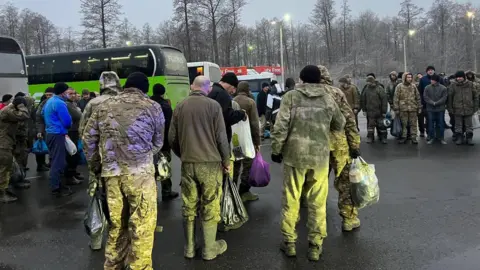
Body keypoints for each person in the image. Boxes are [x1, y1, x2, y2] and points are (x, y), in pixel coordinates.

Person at [83, 72, 164, 269]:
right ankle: (139, 267)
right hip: (140, 175)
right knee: (142, 224)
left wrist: (97, 165)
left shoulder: (103, 107)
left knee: (117, 225)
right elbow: (158, 142)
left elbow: (88, 139)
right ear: (144, 89)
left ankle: (113, 265)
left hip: (111, 175)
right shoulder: (153, 107)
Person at [272, 65, 346, 261]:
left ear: (302, 79)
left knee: (291, 199)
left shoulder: (291, 97)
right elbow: (339, 124)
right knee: (318, 202)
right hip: (320, 158)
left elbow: (280, 126)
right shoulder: (328, 98)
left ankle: (289, 243)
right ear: (320, 79)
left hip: (294, 156)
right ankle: (315, 245)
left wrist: (276, 149)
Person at [169, 76, 230, 261]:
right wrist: (226, 161)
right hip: (210, 164)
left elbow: (172, 137)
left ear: (191, 87)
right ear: (208, 88)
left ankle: (189, 248)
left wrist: (184, 155)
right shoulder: (213, 106)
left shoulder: (180, 106)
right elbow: (221, 137)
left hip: (188, 164)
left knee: (189, 204)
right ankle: (209, 249)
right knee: (210, 204)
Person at [80, 71, 121, 252]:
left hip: (99, 160)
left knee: (97, 198)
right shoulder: (125, 102)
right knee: (120, 200)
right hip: (122, 162)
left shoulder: (93, 104)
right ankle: (120, 240)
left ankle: (96, 240)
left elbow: (84, 133)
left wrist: (92, 162)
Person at [319, 66, 361, 232]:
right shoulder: (336, 93)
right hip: (338, 146)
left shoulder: (301, 94)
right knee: (345, 183)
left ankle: (316, 221)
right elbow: (349, 120)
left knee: (315, 183)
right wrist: (355, 144)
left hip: (314, 146)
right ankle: (349, 219)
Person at [43, 82, 73, 197]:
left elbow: (42, 113)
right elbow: (66, 122)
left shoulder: (49, 101)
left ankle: (57, 185)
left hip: (50, 133)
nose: (68, 94)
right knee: (58, 162)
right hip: (57, 134)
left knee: (54, 160)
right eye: (67, 91)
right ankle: (56, 188)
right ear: (63, 92)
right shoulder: (60, 103)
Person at [233, 81, 261, 202]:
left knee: (236, 164)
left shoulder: (232, 100)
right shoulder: (250, 102)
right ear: (248, 89)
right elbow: (255, 124)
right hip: (247, 140)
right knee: (248, 165)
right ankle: (244, 192)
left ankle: (231, 191)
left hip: (235, 140)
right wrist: (257, 142)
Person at [151, 83, 179, 201]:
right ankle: (166, 191)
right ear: (163, 93)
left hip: (149, 143)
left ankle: (152, 193)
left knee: (151, 168)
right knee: (164, 166)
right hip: (163, 143)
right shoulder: (165, 106)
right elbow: (169, 126)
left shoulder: (148, 104)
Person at [0, 97, 30, 203]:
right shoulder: (8, 111)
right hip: (3, 144)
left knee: (7, 167)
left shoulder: (9, 110)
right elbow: (25, 116)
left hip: (6, 143)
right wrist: (22, 106)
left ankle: (4, 190)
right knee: (4, 168)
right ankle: (2, 194)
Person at [208, 72, 246, 143]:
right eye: (234, 88)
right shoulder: (223, 94)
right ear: (229, 84)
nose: (233, 91)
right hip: (219, 137)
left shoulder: (211, 90)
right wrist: (242, 113)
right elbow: (227, 117)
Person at [448, 71, 479, 145]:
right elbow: (450, 98)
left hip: (468, 108)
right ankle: (459, 138)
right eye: (457, 77)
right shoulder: (453, 85)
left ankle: (469, 138)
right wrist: (450, 108)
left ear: (464, 77)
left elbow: (476, 96)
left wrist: (475, 107)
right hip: (457, 108)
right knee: (458, 125)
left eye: (460, 77)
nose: (459, 78)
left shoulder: (471, 84)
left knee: (469, 125)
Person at [394, 72, 422, 144]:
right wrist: (396, 109)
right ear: (404, 78)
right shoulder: (399, 86)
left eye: (410, 77)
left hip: (413, 108)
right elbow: (396, 98)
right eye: (408, 77)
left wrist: (419, 107)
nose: (410, 79)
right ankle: (404, 137)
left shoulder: (413, 86)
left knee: (413, 124)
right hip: (403, 109)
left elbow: (418, 97)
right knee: (404, 124)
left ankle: (413, 137)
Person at [12, 92, 35, 173]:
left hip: (23, 136)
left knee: (23, 155)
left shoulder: (22, 110)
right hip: (19, 138)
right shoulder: (18, 112)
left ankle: (21, 172)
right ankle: (18, 174)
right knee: (20, 156)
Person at [360, 75, 388, 144]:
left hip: (379, 111)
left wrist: (384, 111)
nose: (368, 83)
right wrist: (364, 110)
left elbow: (384, 100)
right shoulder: (366, 89)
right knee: (370, 126)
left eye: (369, 82)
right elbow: (363, 100)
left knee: (381, 126)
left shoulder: (379, 89)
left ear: (372, 81)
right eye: (367, 82)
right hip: (370, 112)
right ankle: (370, 137)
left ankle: (383, 138)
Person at [65, 88, 83, 185]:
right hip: (71, 131)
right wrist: (79, 111)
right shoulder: (68, 104)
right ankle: (70, 176)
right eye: (70, 94)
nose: (73, 95)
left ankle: (73, 173)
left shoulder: (73, 104)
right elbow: (78, 115)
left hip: (75, 130)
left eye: (74, 93)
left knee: (74, 153)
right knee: (71, 154)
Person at [423, 74, 448, 145]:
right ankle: (431, 137)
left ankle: (441, 138)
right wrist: (432, 103)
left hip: (440, 109)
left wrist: (436, 103)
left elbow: (444, 98)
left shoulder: (443, 88)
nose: (431, 81)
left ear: (436, 81)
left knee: (440, 124)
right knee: (430, 124)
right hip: (430, 109)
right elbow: (425, 97)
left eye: (433, 80)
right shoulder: (427, 87)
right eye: (431, 80)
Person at [34, 88, 54, 172]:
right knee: (42, 148)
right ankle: (41, 164)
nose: (48, 96)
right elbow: (39, 119)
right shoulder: (43, 103)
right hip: (46, 130)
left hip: (54, 130)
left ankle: (50, 164)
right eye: (47, 95)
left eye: (50, 95)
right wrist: (39, 131)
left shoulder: (57, 102)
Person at [418, 66, 439, 138]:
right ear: (427, 71)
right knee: (420, 118)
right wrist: (420, 101)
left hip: (433, 103)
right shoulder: (423, 79)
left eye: (432, 70)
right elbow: (419, 91)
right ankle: (421, 131)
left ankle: (428, 132)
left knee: (429, 119)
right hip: (423, 103)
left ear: (434, 71)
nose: (430, 71)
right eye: (429, 70)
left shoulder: (438, 78)